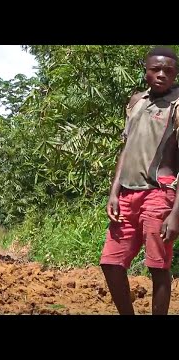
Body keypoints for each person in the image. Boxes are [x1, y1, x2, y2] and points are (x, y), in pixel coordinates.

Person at [100, 46, 179, 315]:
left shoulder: (178, 105)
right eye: (155, 69)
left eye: (168, 71)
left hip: (160, 193)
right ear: (146, 71)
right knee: (110, 263)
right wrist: (114, 192)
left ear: (175, 74)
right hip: (126, 195)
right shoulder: (136, 102)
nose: (161, 75)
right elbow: (126, 149)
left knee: (158, 266)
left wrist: (176, 214)